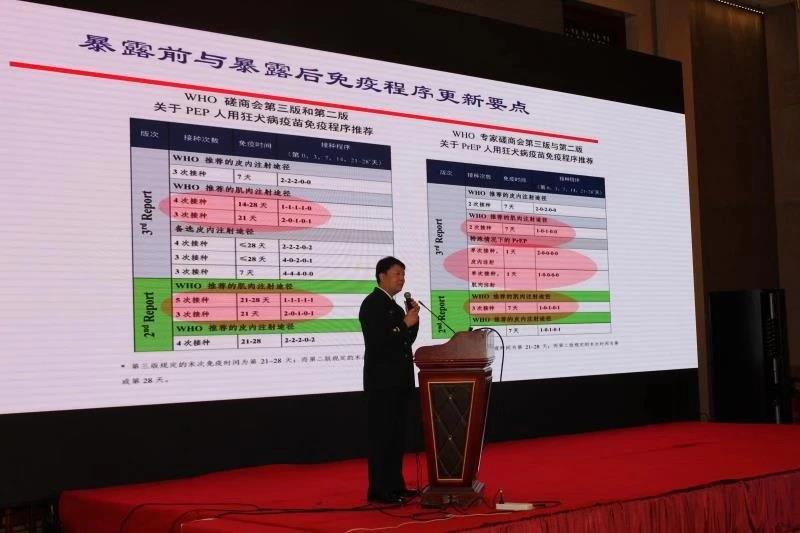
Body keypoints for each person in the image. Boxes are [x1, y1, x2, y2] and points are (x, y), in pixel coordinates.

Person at [360, 256, 420, 504]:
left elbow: (405, 341)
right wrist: (405, 324)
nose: (402, 279)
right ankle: (379, 490)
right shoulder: (372, 304)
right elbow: (380, 342)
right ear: (381, 276)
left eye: (403, 274)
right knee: (382, 437)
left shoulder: (394, 306)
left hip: (399, 382)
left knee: (396, 437)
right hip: (382, 384)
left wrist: (412, 319)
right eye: (397, 274)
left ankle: (396, 486)